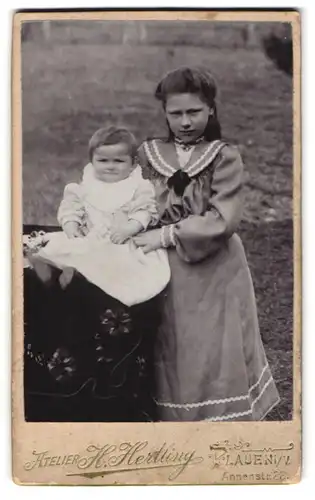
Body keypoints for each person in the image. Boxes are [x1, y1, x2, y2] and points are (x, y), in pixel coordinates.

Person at [134, 66, 280, 421]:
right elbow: (131, 199)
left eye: (194, 112)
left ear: (211, 109)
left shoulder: (223, 156)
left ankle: (218, 418)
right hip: (160, 268)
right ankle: (173, 418)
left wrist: (165, 234)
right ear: (165, 113)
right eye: (176, 113)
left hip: (213, 267)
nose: (185, 122)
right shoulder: (149, 154)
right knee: (172, 343)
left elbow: (223, 219)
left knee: (210, 345)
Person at [27, 126, 170, 307]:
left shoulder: (138, 186)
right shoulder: (87, 185)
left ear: (133, 163)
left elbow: (145, 211)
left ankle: (75, 276)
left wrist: (129, 228)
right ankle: (50, 270)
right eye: (103, 160)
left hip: (120, 240)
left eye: (118, 161)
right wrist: (71, 224)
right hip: (89, 234)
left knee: (109, 262)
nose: (110, 166)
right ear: (92, 161)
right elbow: (72, 206)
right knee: (68, 246)